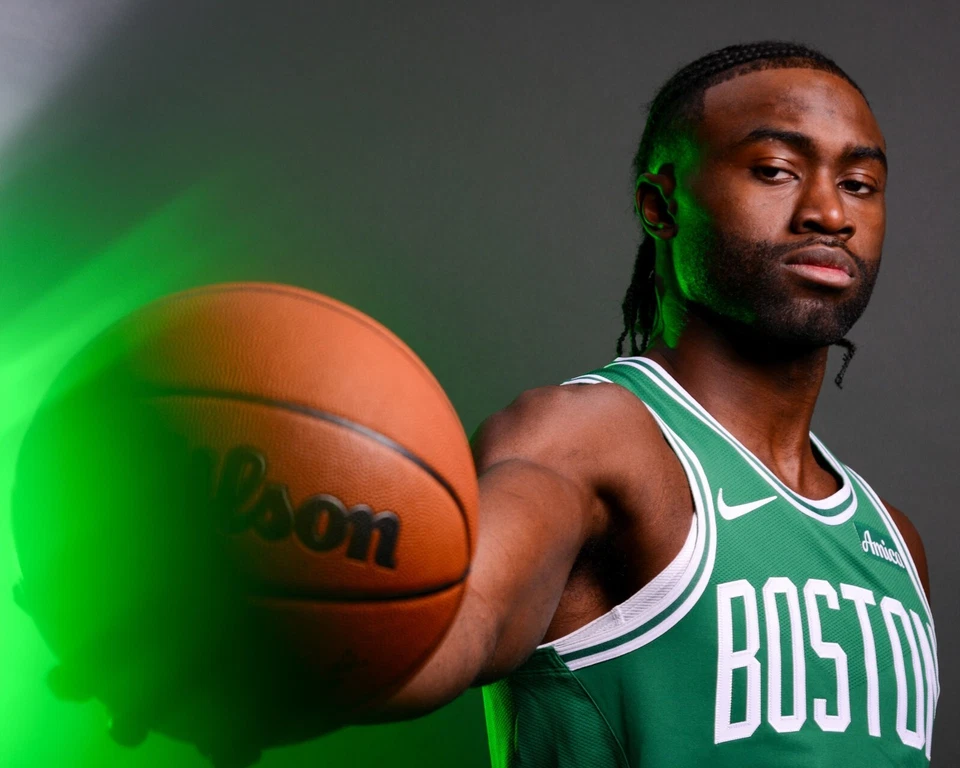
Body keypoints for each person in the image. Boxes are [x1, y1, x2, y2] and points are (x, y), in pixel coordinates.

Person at [35, 40, 939, 767]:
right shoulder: (591, 439)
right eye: (776, 170)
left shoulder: (894, 545)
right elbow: (450, 626)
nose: (829, 212)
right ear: (661, 205)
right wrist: (242, 644)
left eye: (860, 184)